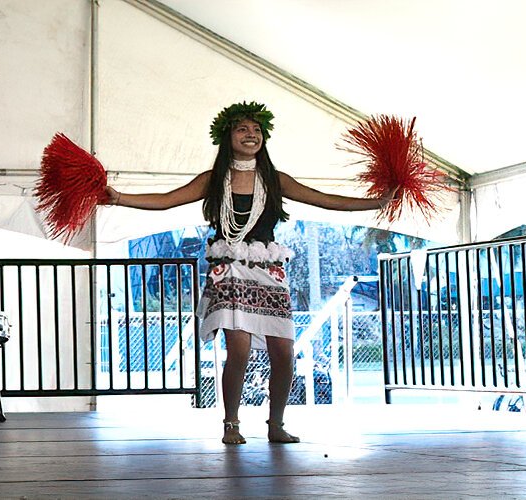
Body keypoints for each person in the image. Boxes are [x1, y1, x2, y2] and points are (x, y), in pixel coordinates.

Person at [102, 102, 391, 445]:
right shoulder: (212, 180)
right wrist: (118, 197)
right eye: (243, 129)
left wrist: (377, 203)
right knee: (237, 349)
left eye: (256, 130)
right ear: (228, 137)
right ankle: (231, 424)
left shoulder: (275, 180)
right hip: (228, 271)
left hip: (268, 270)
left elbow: (325, 199)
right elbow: (167, 199)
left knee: (283, 352)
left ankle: (276, 423)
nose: (251, 135)